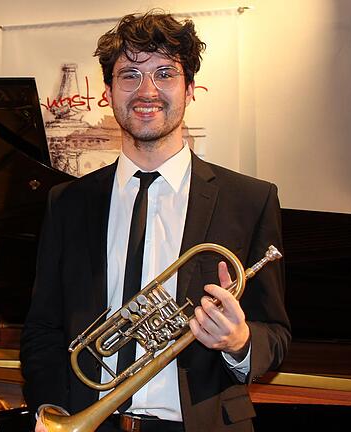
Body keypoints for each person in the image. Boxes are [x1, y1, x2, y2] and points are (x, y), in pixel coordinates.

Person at [20, 11, 290, 432]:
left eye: (164, 73)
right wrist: (49, 412)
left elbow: (276, 332)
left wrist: (239, 343)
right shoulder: (68, 202)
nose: (147, 91)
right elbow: (43, 329)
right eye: (129, 75)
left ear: (190, 88)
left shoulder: (249, 200)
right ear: (108, 92)